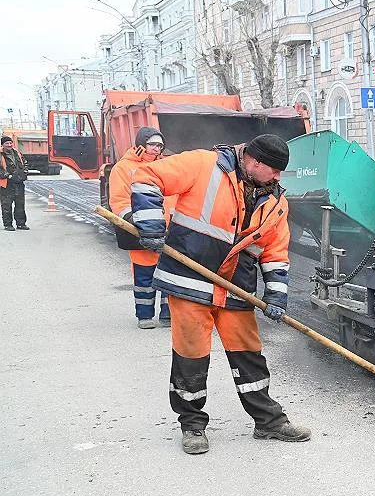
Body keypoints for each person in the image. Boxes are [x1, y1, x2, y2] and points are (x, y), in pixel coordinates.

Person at [129, 134, 310, 454]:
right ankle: (192, 425)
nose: (279, 178)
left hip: (236, 290)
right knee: (191, 356)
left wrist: (277, 297)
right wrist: (151, 224)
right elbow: (147, 176)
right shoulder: (203, 165)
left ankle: (268, 422)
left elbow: (275, 254)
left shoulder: (277, 204)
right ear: (254, 162)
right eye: (275, 170)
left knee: (249, 353)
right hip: (190, 282)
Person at [109, 127, 173, 328]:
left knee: (168, 275)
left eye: (160, 145)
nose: (156, 149)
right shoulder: (123, 168)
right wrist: (136, 221)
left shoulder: (165, 166)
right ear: (141, 145)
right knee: (144, 276)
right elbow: (119, 200)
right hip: (140, 230)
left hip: (167, 230)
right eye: (153, 144)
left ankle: (167, 315)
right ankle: (144, 316)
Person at [0, 134, 29, 231]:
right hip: (6, 184)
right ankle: (8, 225)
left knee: (20, 204)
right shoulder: (0, 155)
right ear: (2, 145)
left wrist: (25, 172)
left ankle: (21, 224)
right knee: (6, 205)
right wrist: (7, 175)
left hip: (19, 183)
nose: (9, 145)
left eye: (10, 143)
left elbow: (24, 163)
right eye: (7, 143)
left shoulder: (17, 153)